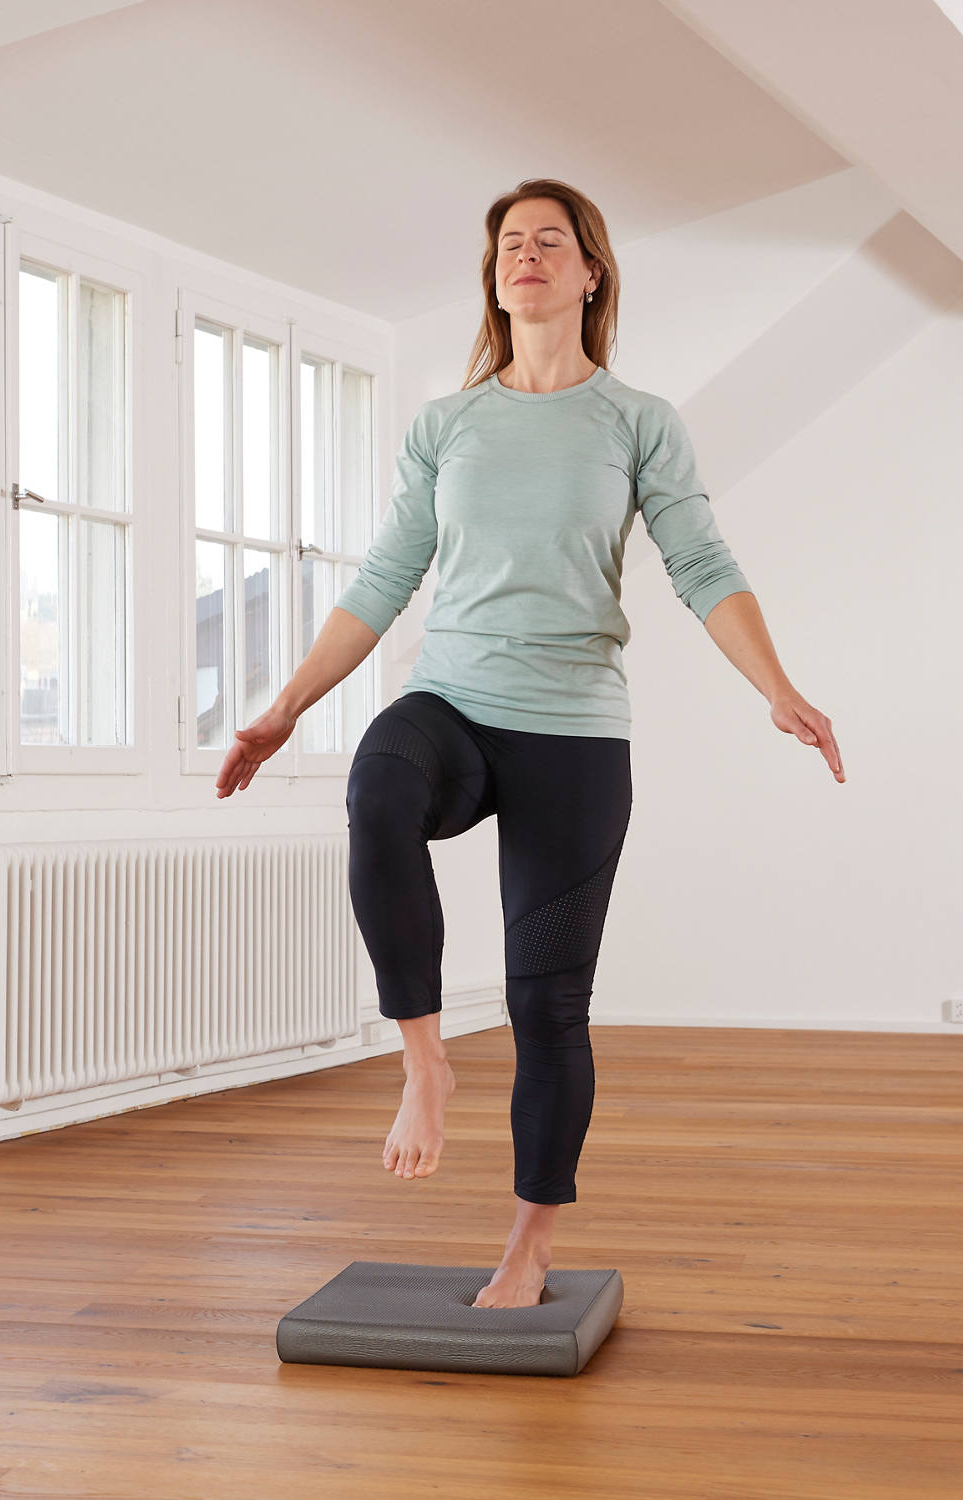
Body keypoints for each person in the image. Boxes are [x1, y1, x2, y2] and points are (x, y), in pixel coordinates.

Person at [213, 178, 844, 1310]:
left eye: (552, 241)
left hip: (573, 731)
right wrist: (285, 707)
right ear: (493, 275)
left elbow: (702, 565)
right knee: (377, 790)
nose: (528, 255)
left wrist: (777, 689)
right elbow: (385, 579)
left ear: (592, 272)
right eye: (512, 242)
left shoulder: (637, 420)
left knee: (548, 1003)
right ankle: (425, 1060)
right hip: (451, 700)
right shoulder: (446, 425)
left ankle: (528, 1246)